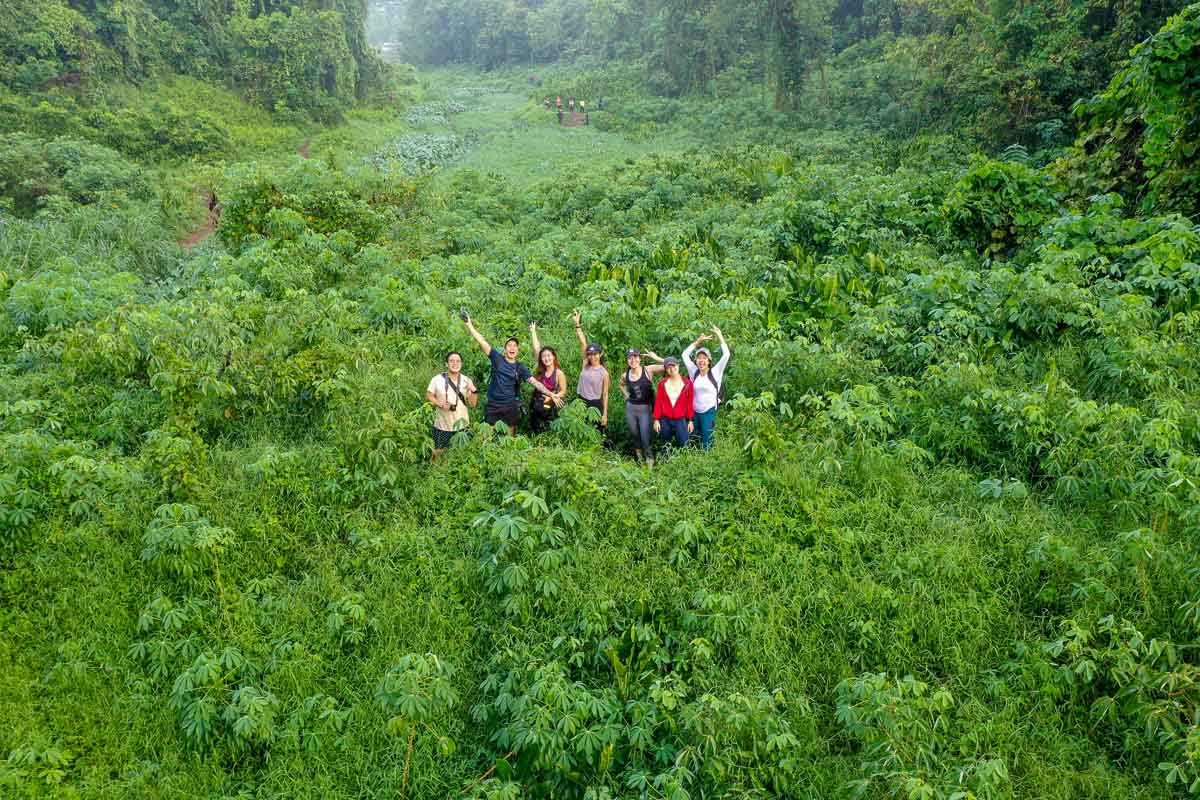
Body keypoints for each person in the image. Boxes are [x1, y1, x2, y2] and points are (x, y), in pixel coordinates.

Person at [462, 313, 562, 434]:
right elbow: (482, 342)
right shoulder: (497, 359)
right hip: (493, 404)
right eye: (509, 345)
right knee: (487, 435)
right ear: (505, 349)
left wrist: (551, 394)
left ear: (517, 350)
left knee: (510, 435)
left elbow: (535, 383)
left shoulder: (520, 368)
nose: (512, 348)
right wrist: (469, 325)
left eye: (515, 346)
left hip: (510, 406)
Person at [682, 326, 730, 449]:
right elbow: (684, 355)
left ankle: (708, 463)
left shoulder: (715, 372)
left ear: (709, 360)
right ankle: (694, 462)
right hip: (694, 412)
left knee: (707, 440)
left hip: (708, 411)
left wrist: (720, 335)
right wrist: (697, 342)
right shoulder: (694, 372)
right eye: (699, 358)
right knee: (693, 439)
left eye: (704, 358)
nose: (701, 360)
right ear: (696, 360)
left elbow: (726, 355)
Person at [426, 351, 479, 462]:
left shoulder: (466, 380)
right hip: (442, 425)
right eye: (451, 361)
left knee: (462, 453)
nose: (455, 363)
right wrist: (440, 404)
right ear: (446, 364)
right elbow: (429, 396)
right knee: (438, 452)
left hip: (462, 425)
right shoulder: (437, 379)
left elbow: (472, 404)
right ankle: (433, 471)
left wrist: (473, 390)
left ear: (461, 364)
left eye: (458, 361)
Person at [619, 348, 665, 465]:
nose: (633, 360)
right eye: (630, 357)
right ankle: (639, 459)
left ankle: (650, 460)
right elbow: (621, 384)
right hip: (631, 408)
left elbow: (670, 364)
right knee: (635, 435)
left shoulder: (648, 370)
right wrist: (626, 395)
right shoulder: (625, 375)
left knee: (645, 436)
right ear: (627, 360)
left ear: (640, 359)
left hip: (645, 409)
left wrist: (655, 357)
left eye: (635, 357)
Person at [572, 310, 611, 443]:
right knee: (581, 430)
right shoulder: (585, 364)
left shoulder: (604, 373)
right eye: (590, 354)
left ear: (600, 354)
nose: (592, 356)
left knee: (597, 433)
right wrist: (578, 325)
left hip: (595, 404)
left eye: (595, 354)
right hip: (581, 402)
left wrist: (605, 414)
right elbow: (583, 343)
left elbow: (605, 394)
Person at [528, 322, 569, 434]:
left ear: (553, 356)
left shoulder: (559, 373)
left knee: (547, 431)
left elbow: (563, 391)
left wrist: (552, 397)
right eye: (544, 356)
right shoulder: (541, 370)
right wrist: (533, 332)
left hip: (548, 406)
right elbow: (537, 348)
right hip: (535, 403)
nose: (546, 358)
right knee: (534, 428)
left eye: (549, 355)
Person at [653, 357, 693, 450]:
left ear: (678, 366)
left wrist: (691, 420)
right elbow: (658, 402)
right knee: (665, 445)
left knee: (684, 445)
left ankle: (684, 463)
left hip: (681, 420)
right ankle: (664, 463)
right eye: (668, 367)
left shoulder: (687, 383)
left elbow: (689, 403)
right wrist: (656, 420)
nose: (672, 369)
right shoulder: (662, 384)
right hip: (665, 420)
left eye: (673, 366)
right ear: (666, 369)